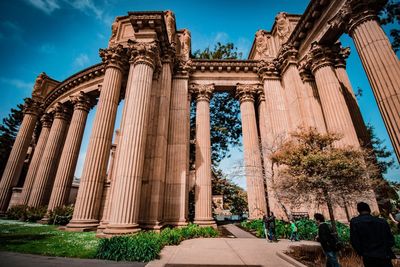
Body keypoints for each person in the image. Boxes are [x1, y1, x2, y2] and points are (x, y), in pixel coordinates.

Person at [350, 202, 395, 267]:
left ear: (358, 210)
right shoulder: (382, 222)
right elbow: (390, 239)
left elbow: (354, 241)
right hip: (383, 254)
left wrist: (362, 252)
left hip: (369, 256)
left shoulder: (355, 222)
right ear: (369, 210)